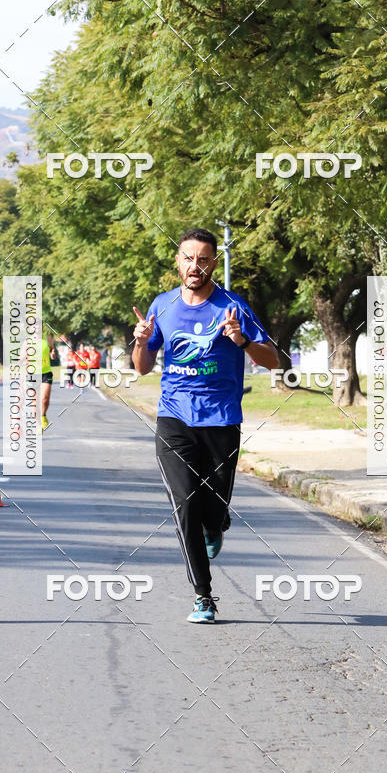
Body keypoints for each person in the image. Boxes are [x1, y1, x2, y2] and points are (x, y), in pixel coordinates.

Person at [133, 228, 279, 624]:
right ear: (177, 261)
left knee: (212, 511)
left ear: (214, 263)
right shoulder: (161, 306)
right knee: (185, 506)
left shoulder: (233, 306)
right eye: (188, 258)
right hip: (174, 418)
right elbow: (143, 366)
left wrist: (243, 341)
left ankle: (217, 523)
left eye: (203, 259)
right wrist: (141, 341)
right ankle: (203, 596)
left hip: (221, 420)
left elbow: (274, 361)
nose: (194, 266)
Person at [41, 332, 55, 430]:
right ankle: (38, 423)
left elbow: (52, 349)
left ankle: (43, 415)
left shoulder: (47, 338)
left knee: (45, 399)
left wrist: (52, 353)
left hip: (46, 373)